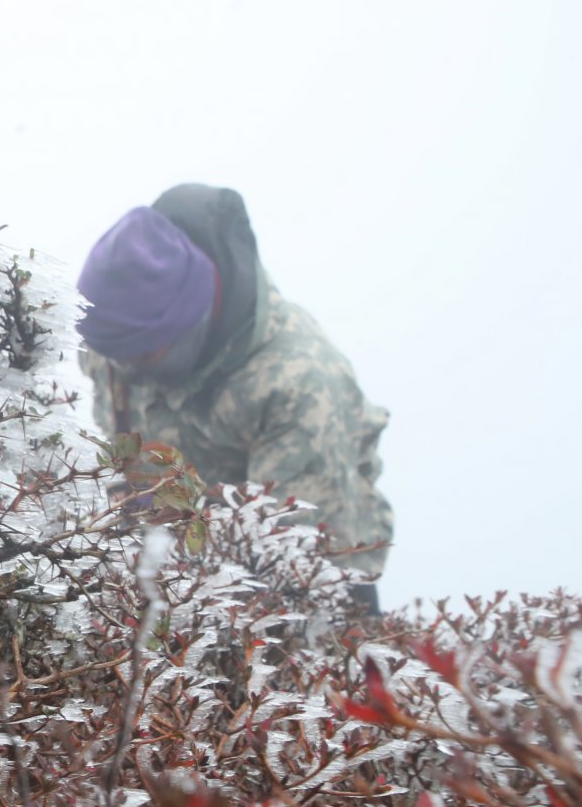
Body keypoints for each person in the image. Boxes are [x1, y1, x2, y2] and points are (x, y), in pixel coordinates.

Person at [77, 184, 393, 612]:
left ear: (189, 323)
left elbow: (294, 567)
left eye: (142, 354)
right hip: (165, 573)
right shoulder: (118, 339)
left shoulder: (298, 385)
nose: (123, 369)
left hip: (301, 594)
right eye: (114, 356)